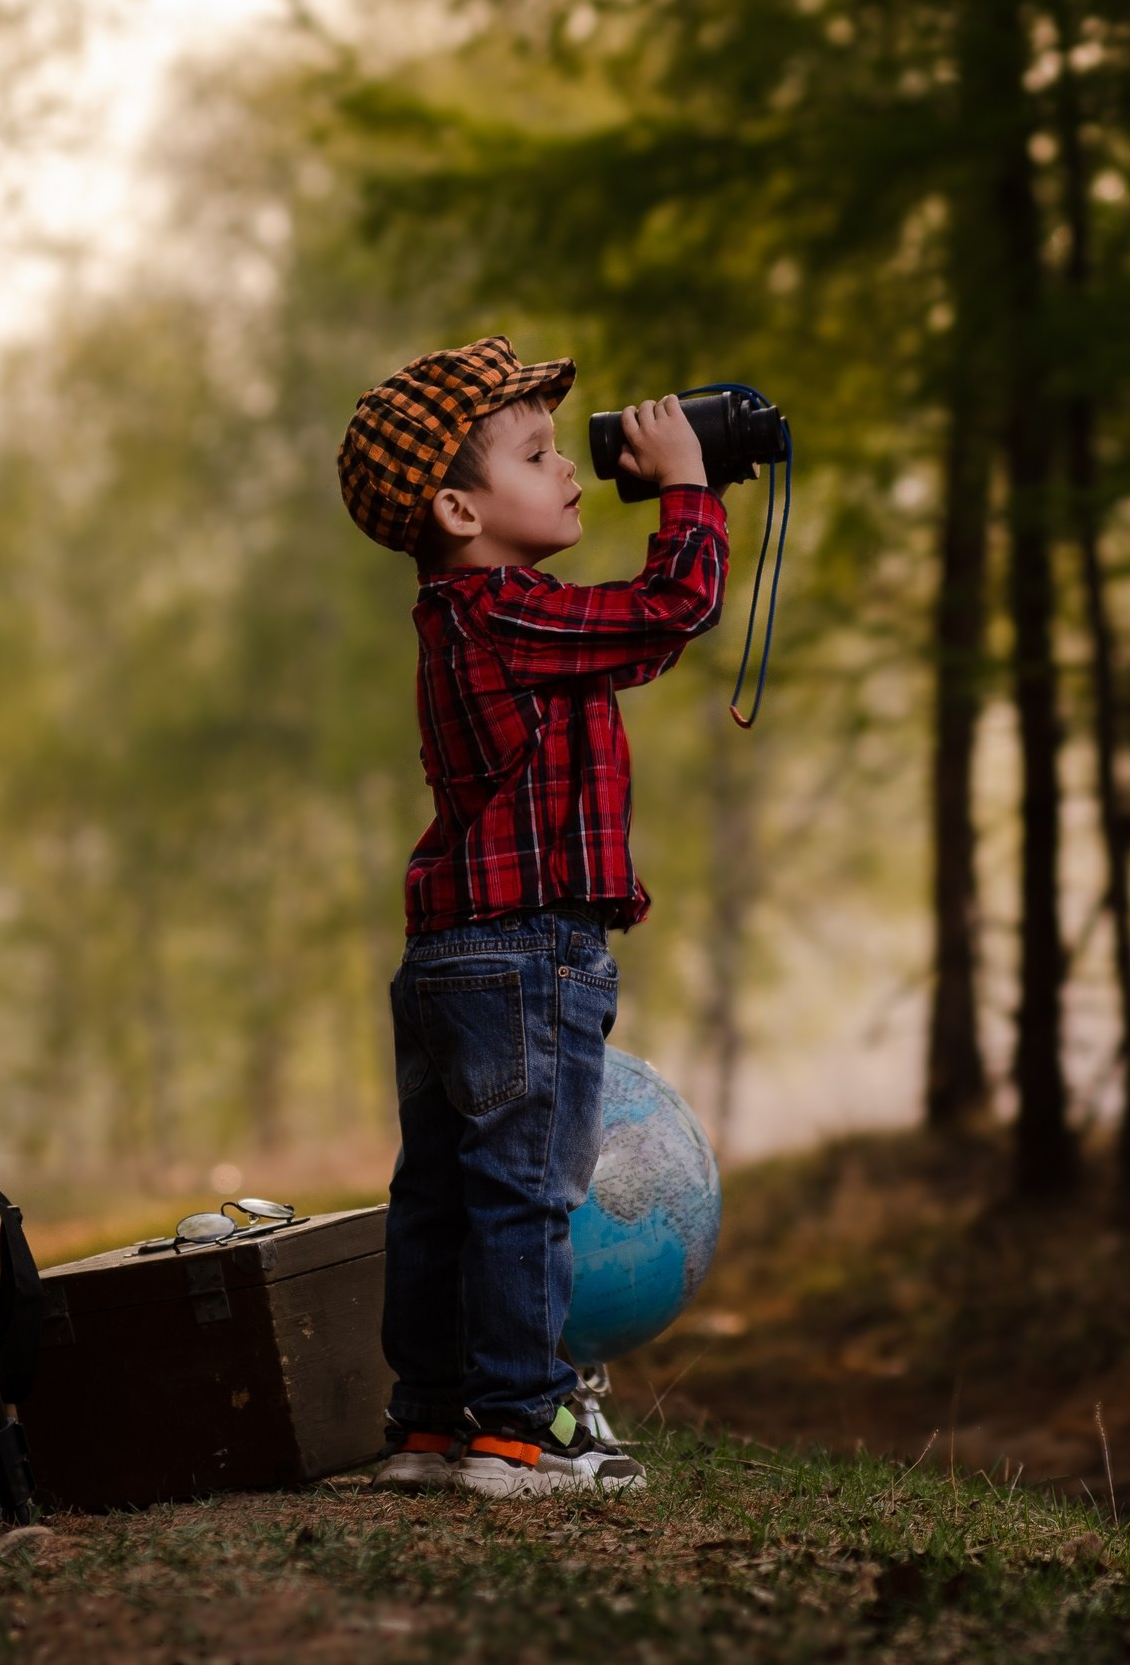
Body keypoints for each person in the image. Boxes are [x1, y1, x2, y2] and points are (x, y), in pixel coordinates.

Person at [334, 338, 727, 1495]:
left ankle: (432, 1418)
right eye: (537, 453)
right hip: (525, 948)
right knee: (523, 1191)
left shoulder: (478, 621)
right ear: (458, 506)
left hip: (451, 952)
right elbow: (678, 604)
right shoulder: (505, 614)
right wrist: (688, 489)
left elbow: (637, 642)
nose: (570, 470)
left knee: (442, 1193)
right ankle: (521, 1426)